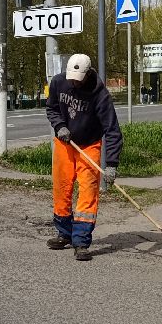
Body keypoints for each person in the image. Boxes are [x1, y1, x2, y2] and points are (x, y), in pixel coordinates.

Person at [44, 53, 123, 262]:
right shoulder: (58, 82)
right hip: (65, 144)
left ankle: (81, 242)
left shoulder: (100, 94)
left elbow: (113, 131)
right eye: (71, 78)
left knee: (88, 192)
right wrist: (59, 126)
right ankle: (64, 233)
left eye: (78, 80)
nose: (74, 83)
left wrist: (112, 164)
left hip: (89, 146)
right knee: (62, 188)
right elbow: (52, 108)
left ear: (87, 74)